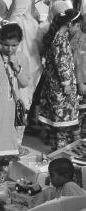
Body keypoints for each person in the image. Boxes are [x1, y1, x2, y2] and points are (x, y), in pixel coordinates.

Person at [0, 23, 29, 186]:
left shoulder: (21, 57)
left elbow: (24, 83)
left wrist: (17, 67)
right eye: (6, 45)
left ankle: (1, 190)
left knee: (8, 157)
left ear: (20, 43)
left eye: (14, 45)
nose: (10, 49)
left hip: (11, 113)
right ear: (0, 41)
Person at [40, 9, 82, 151]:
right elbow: (62, 63)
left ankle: (56, 153)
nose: (77, 29)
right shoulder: (61, 39)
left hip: (53, 86)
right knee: (63, 126)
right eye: (77, 26)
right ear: (70, 24)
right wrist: (67, 85)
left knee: (57, 125)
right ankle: (60, 154)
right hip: (61, 89)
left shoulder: (55, 37)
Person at [7, 0, 43, 109]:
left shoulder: (11, 22)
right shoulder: (33, 23)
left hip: (15, 59)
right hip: (33, 60)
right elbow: (39, 42)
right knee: (29, 87)